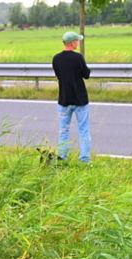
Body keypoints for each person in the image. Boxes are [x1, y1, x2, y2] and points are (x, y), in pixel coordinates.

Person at [52, 31, 92, 164]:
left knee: (63, 130)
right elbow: (86, 75)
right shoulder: (78, 57)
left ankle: (62, 156)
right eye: (77, 41)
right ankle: (84, 159)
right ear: (73, 42)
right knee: (84, 129)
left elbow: (58, 76)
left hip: (64, 98)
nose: (78, 43)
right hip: (80, 99)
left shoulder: (56, 59)